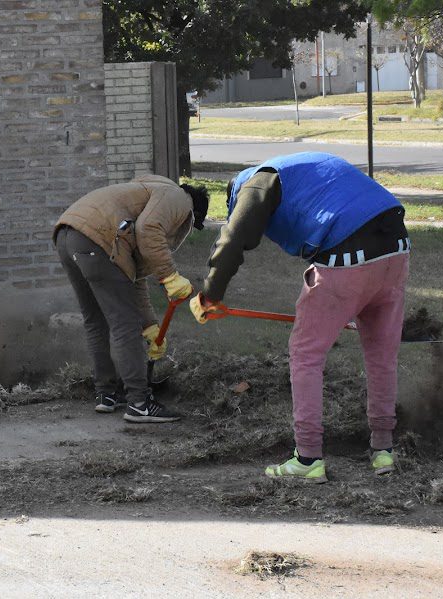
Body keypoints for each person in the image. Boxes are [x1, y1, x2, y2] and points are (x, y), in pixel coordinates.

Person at [190, 152, 409, 482]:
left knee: (306, 356)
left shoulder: (256, 183)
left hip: (347, 255)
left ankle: (307, 458)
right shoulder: (303, 168)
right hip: (397, 247)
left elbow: (233, 237)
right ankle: (383, 450)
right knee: (381, 356)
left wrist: (211, 293)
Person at [54, 175, 209, 423]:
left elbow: (133, 279)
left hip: (68, 235)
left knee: (96, 320)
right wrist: (170, 277)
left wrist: (150, 326)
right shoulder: (179, 199)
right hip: (97, 238)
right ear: (194, 215)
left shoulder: (143, 198)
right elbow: (149, 229)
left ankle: (107, 394)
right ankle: (139, 403)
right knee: (125, 324)